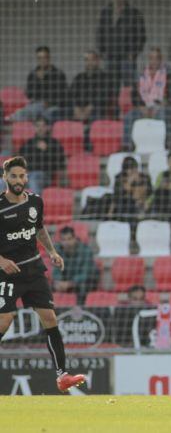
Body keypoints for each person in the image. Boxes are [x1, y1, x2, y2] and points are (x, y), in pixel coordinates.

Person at [0, 157, 85, 391]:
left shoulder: (36, 202)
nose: (18, 180)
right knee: (4, 321)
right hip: (7, 274)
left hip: (34, 269)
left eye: (22, 176)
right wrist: (1, 260)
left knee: (50, 319)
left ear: (27, 177)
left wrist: (52, 251)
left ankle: (62, 376)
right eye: (14, 176)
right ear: (4, 177)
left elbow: (38, 228)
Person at [123, 47, 171, 149]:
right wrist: (141, 107)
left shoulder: (169, 73)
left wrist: (161, 105)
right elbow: (134, 95)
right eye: (151, 58)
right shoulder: (141, 74)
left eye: (157, 58)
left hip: (161, 107)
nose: (154, 61)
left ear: (160, 59)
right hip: (143, 108)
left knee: (163, 114)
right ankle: (127, 146)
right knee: (129, 116)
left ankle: (167, 145)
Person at [96, 0, 147, 86]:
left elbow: (141, 36)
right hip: (110, 56)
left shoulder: (134, 13)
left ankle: (128, 101)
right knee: (110, 85)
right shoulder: (105, 12)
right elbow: (99, 33)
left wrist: (133, 53)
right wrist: (102, 52)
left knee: (128, 86)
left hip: (127, 57)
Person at [7, 46, 67, 122]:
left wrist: (48, 102)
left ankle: (14, 117)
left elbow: (62, 95)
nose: (42, 60)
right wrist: (39, 81)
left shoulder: (59, 74)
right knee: (36, 108)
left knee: (41, 111)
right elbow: (29, 94)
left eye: (44, 57)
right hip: (35, 106)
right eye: (39, 58)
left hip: (53, 107)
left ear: (49, 58)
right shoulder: (32, 74)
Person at [18, 117, 66, 194]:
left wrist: (46, 151)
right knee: (3, 181)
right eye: (38, 126)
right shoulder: (28, 143)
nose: (40, 128)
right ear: (34, 128)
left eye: (43, 126)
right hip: (26, 175)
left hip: (45, 176)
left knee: (34, 178)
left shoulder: (54, 143)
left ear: (47, 127)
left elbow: (60, 162)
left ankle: (36, 205)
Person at [52, 227, 98, 305]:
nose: (66, 242)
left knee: (82, 286)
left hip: (85, 282)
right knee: (46, 287)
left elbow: (85, 274)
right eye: (63, 240)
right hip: (66, 282)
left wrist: (69, 283)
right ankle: (54, 313)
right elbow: (56, 271)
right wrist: (59, 282)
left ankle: (79, 314)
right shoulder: (57, 251)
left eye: (69, 239)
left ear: (75, 239)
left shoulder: (86, 250)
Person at [69, 51, 114, 122]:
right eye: (87, 60)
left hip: (95, 109)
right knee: (64, 111)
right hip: (78, 109)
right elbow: (71, 94)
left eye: (92, 59)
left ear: (97, 61)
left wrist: (90, 107)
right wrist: (75, 107)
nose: (89, 62)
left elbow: (104, 96)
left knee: (97, 112)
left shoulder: (105, 77)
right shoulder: (79, 77)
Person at [110, 156, 152, 220]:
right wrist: (129, 182)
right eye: (128, 168)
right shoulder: (119, 177)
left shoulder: (145, 177)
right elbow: (118, 194)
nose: (132, 171)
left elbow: (150, 192)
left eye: (134, 168)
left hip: (142, 203)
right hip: (125, 204)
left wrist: (139, 183)